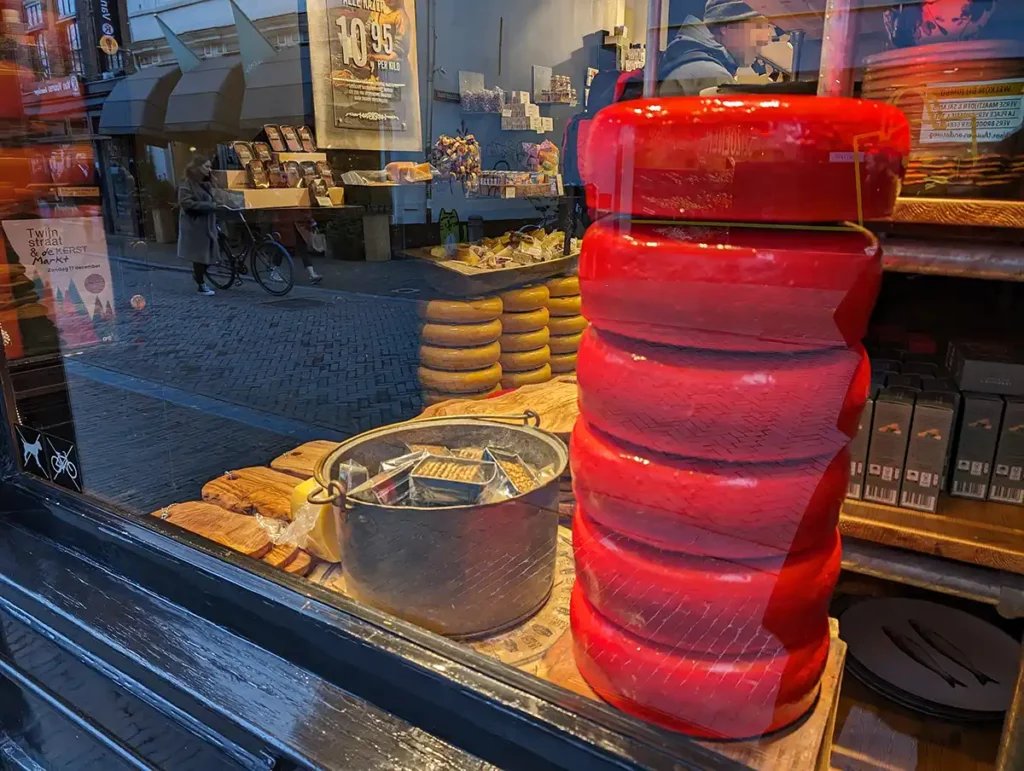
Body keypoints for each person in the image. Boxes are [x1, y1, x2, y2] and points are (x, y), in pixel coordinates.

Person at [658, 0, 776, 96]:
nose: (765, 40)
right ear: (726, 26)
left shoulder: (689, 60)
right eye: (758, 26)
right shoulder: (713, 75)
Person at [177, 155, 220, 296]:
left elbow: (217, 196)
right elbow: (186, 203)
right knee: (199, 257)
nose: (209, 169)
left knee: (210, 255)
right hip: (195, 226)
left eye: (210, 166)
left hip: (208, 224)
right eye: (206, 166)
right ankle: (201, 284)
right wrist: (210, 206)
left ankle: (199, 276)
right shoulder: (187, 183)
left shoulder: (207, 182)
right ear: (198, 167)